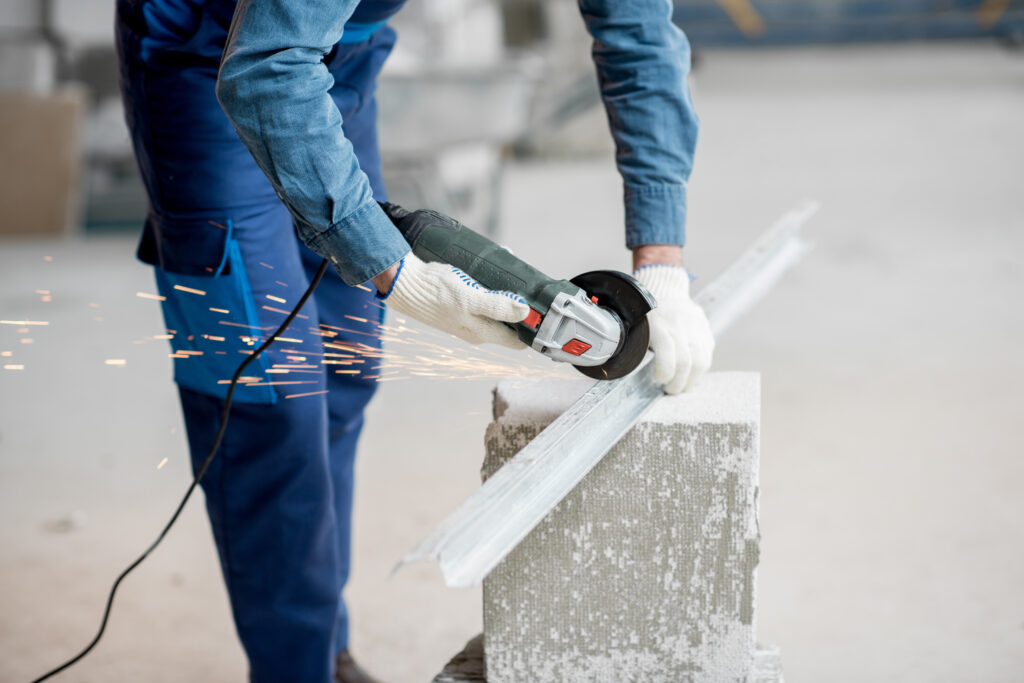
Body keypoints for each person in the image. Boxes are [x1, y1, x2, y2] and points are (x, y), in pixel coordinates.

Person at [115, 0, 713, 681]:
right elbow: (266, 67)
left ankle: (321, 647)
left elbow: (636, 33)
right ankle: (296, 668)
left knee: (345, 362)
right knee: (270, 396)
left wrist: (661, 265)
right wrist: (399, 273)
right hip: (210, 56)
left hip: (336, 52)